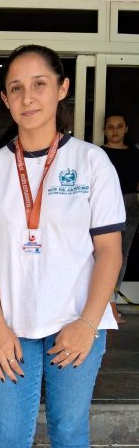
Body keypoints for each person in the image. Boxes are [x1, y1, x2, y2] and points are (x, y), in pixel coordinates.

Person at [0, 44, 125, 448]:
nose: (28, 97)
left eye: (40, 84)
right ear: (5, 100)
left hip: (76, 326)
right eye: (16, 88)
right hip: (10, 328)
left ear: (62, 89)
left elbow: (109, 251)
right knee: (10, 434)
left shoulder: (92, 162)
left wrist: (87, 322)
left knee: (69, 429)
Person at [101, 112, 139, 321]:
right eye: (110, 126)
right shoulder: (98, 154)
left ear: (126, 129)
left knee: (120, 255)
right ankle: (103, 304)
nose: (114, 131)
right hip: (103, 204)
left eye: (119, 126)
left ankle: (111, 302)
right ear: (104, 129)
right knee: (99, 252)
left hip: (130, 204)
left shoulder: (135, 154)